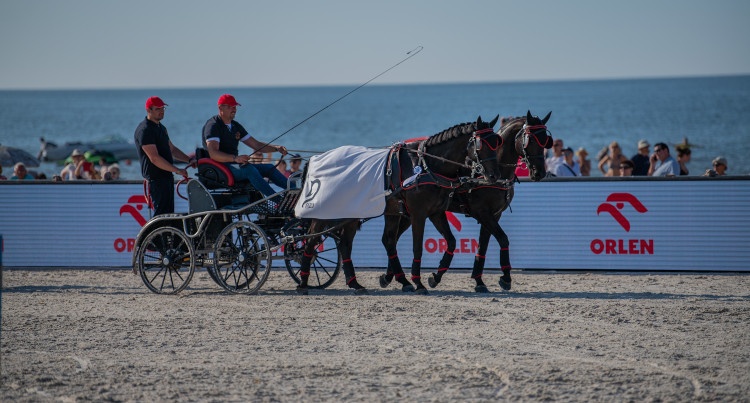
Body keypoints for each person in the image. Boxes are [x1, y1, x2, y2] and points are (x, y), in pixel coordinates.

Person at [202, 94, 289, 198]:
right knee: (249, 169)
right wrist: (235, 158)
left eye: (235, 107)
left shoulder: (235, 126)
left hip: (234, 165)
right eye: (230, 107)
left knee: (269, 168)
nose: (233, 109)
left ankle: (297, 195)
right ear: (220, 108)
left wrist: (276, 148)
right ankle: (278, 201)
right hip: (221, 168)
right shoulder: (213, 125)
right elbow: (213, 153)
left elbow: (256, 144)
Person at [134, 96, 195, 216]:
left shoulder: (161, 128)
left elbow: (172, 149)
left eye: (163, 108)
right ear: (149, 110)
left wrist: (189, 160)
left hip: (166, 178)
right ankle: (157, 235)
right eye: (158, 109)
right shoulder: (145, 130)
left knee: (168, 216)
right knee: (161, 217)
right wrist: (177, 170)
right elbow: (154, 158)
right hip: (156, 180)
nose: (161, 111)